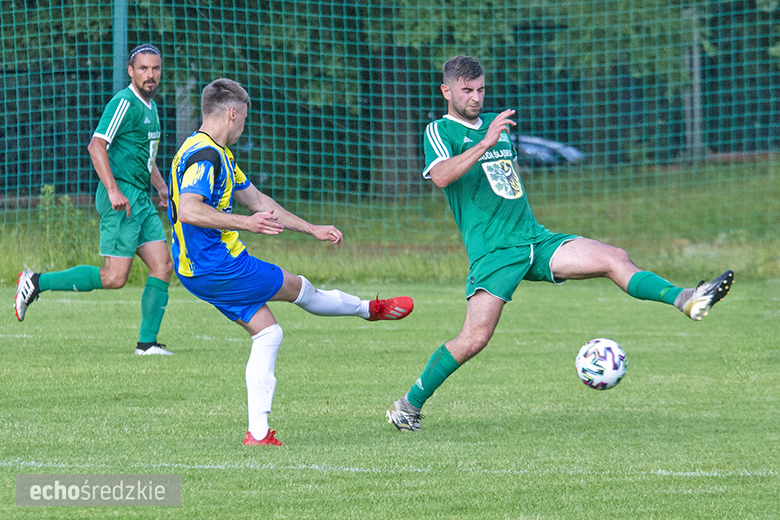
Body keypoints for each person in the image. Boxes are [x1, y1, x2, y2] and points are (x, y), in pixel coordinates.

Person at [386, 55, 734, 432]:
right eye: (467, 91)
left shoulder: (495, 124)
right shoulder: (440, 130)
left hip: (535, 238)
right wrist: (485, 143)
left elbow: (505, 180)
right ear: (447, 91)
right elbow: (440, 176)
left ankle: (686, 298)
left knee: (614, 257)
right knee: (474, 339)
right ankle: (408, 406)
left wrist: (494, 145)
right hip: (495, 251)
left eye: (481, 89)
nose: (475, 97)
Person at [168, 78, 414, 446]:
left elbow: (259, 201)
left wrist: (310, 228)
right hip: (219, 265)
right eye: (244, 119)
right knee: (300, 289)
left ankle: (259, 434)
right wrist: (246, 224)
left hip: (198, 269)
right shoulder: (206, 156)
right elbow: (189, 209)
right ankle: (369, 309)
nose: (243, 126)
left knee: (269, 333)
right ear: (233, 113)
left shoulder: (211, 151)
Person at [14, 44, 175, 356]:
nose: (150, 74)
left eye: (155, 68)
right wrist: (114, 190)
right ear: (131, 71)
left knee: (163, 265)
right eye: (143, 69)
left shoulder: (150, 108)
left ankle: (147, 344)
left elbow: (146, 157)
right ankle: (35, 281)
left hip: (140, 199)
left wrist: (161, 187)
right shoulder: (124, 102)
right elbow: (96, 146)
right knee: (114, 278)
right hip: (121, 198)